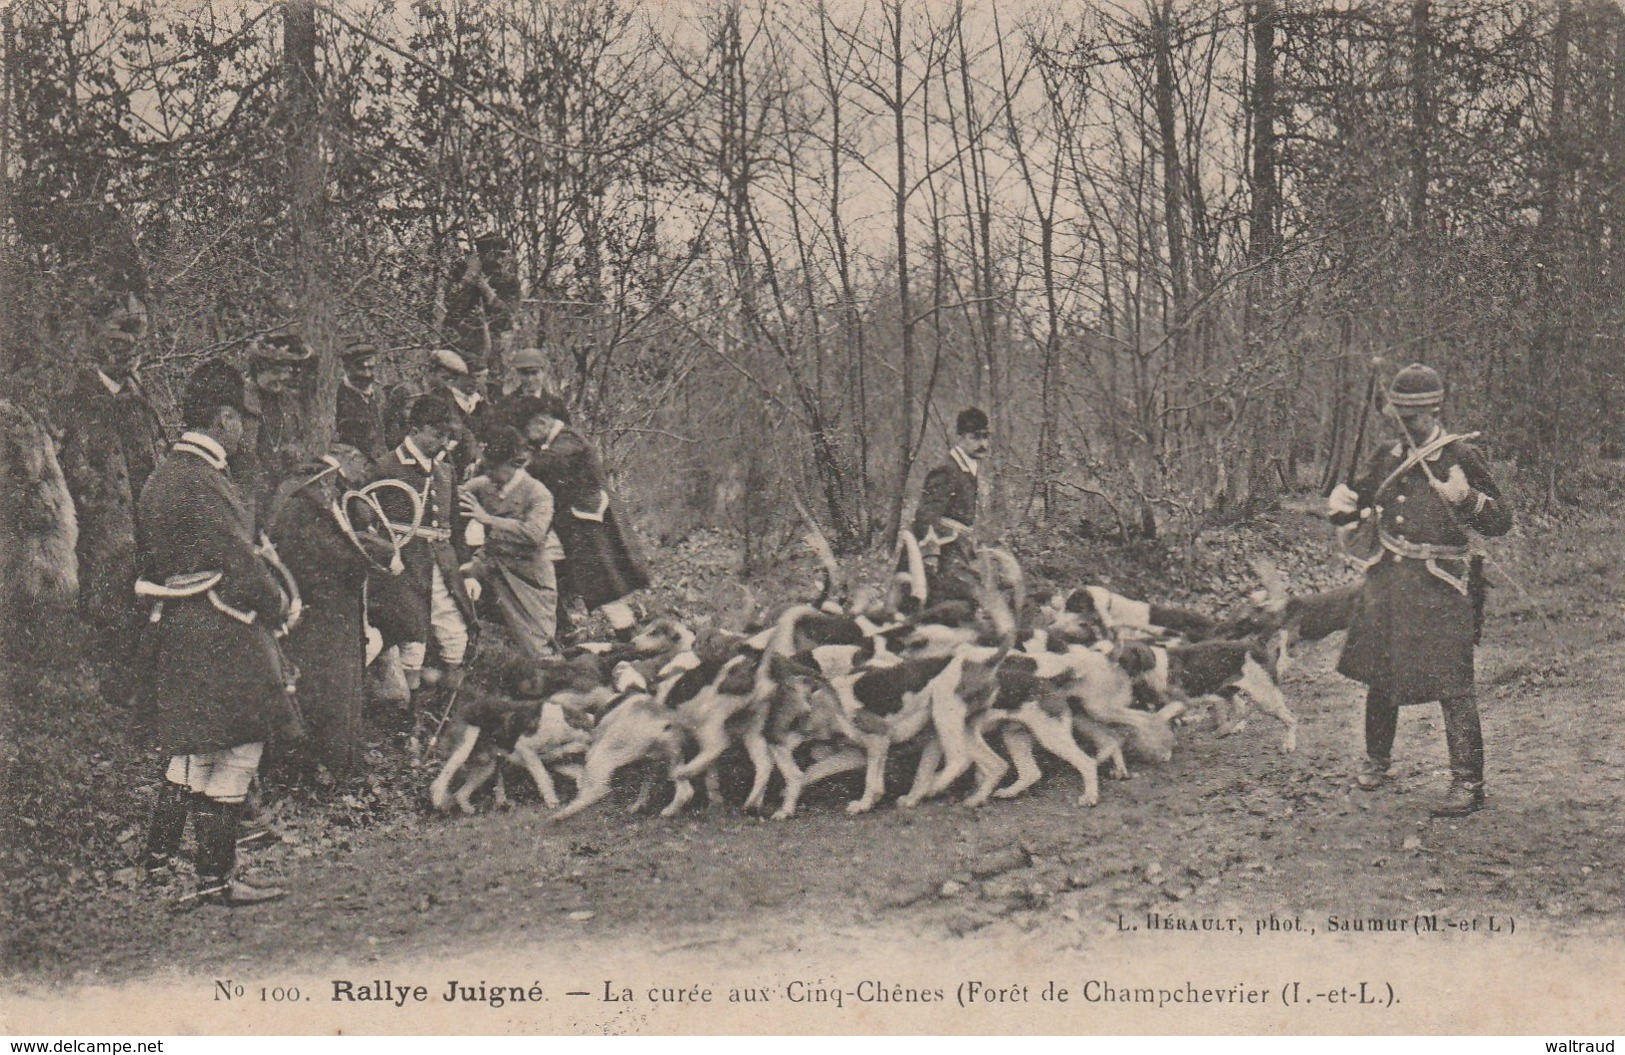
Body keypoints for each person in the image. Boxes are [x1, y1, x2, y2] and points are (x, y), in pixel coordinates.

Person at [135, 360, 299, 907]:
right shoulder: (204, 480)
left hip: (185, 627)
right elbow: (240, 562)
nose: (244, 431)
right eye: (242, 420)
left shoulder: (163, 476)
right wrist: (279, 606)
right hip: (224, 624)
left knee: (207, 749)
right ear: (224, 417)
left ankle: (204, 876)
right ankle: (216, 879)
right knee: (241, 745)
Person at [1327, 363, 1512, 817]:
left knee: (1454, 682)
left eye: (1416, 415)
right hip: (1388, 578)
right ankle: (1378, 760)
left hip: (1441, 585)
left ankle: (1468, 783)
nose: (1408, 424)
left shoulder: (1461, 456)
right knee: (1379, 671)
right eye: (1401, 415)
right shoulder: (1386, 455)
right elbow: (1358, 503)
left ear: (1435, 408)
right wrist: (1339, 507)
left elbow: (1501, 521)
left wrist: (1465, 499)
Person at [55, 306, 169, 695]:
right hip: (102, 526)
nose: (126, 354)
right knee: (107, 603)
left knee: (144, 600)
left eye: (132, 347)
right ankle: (108, 688)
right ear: (100, 348)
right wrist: (97, 501)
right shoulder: (79, 399)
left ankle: (136, 687)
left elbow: (155, 452)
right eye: (117, 345)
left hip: (144, 519)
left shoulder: (140, 400)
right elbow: (72, 465)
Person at [266, 444, 397, 779]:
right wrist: (375, 555)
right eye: (363, 468)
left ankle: (333, 765)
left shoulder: (312, 487)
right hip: (323, 609)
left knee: (331, 686)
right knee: (329, 689)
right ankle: (329, 768)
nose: (363, 478)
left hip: (326, 605)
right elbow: (325, 550)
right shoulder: (313, 491)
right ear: (350, 459)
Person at [367, 395, 476, 723]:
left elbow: (456, 525)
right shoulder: (386, 466)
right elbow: (365, 519)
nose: (443, 442)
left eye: (447, 435)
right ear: (415, 430)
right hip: (405, 567)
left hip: (442, 565)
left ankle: (448, 716)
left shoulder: (444, 470)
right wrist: (386, 556)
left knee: (455, 635)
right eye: (436, 434)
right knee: (411, 642)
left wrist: (466, 570)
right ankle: (407, 724)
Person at [513, 394, 648, 639]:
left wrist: (516, 469)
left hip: (587, 524)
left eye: (526, 430)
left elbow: (546, 465)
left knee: (603, 582)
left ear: (541, 421)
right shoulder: (554, 442)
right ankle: (564, 630)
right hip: (573, 524)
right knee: (550, 573)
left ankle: (627, 635)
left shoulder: (568, 440)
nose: (526, 437)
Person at [461, 427, 563, 663]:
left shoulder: (538, 494)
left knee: (538, 648)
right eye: (485, 468)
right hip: (492, 568)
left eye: (493, 469)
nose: (489, 475)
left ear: (512, 464)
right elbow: (455, 496)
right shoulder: (483, 485)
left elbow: (533, 534)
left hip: (529, 579)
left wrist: (488, 519)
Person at [906, 407, 990, 606]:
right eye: (975, 437)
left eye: (985, 437)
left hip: (961, 546)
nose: (983, 444)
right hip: (945, 550)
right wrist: (931, 555)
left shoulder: (969, 467)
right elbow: (925, 515)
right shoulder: (947, 469)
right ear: (961, 437)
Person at [239, 331, 314, 525]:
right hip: (249, 493)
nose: (282, 378)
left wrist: (295, 450)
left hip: (281, 491)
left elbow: (297, 437)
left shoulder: (289, 402)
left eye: (286, 371)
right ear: (259, 369)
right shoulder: (240, 399)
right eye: (275, 372)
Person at [444, 233, 519, 370]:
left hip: (492, 344)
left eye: (502, 255)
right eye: (495, 255)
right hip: (460, 342)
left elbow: (508, 313)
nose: (499, 260)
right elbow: (450, 304)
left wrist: (486, 289)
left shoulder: (509, 281)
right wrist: (468, 278)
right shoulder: (464, 274)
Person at [427, 348, 491, 478]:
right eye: (472, 377)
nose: (477, 382)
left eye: (481, 377)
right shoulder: (444, 399)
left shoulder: (480, 402)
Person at [335, 340, 389, 462]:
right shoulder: (337, 396)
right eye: (360, 368)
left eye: (371, 368)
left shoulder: (379, 395)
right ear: (347, 368)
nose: (366, 374)